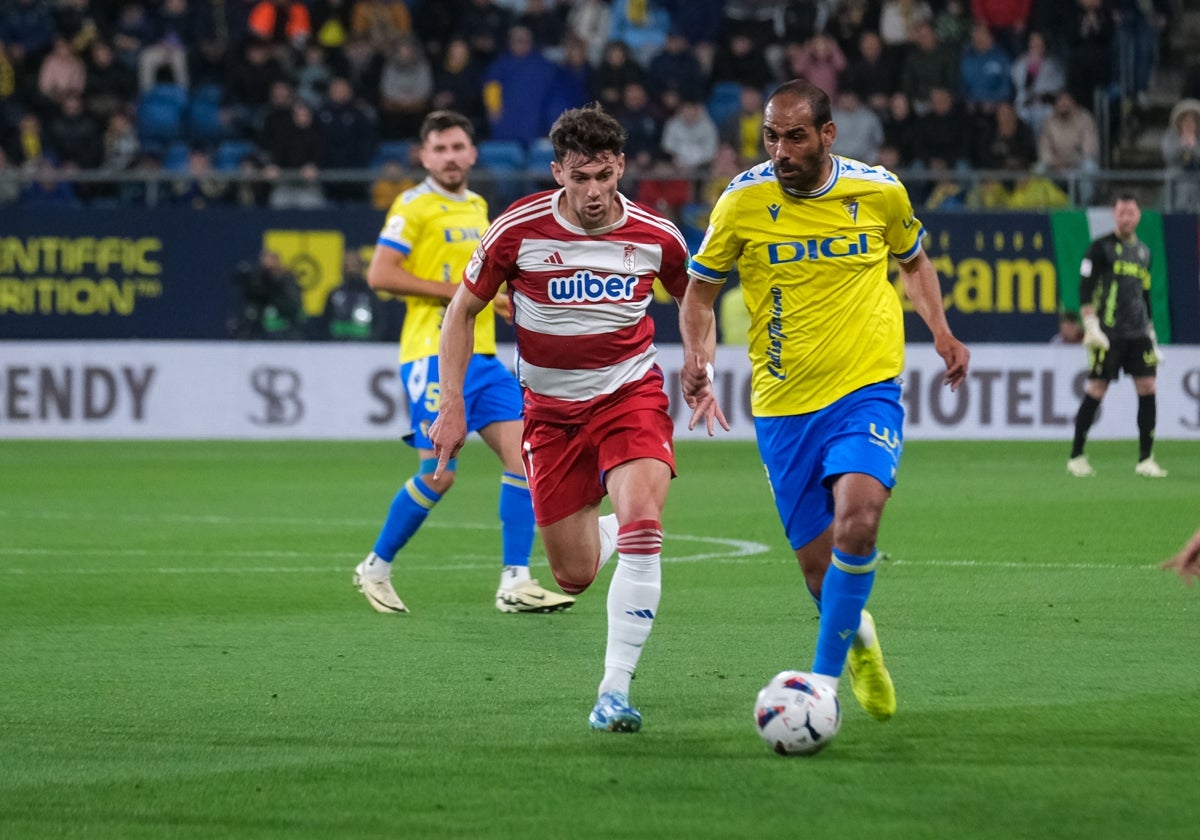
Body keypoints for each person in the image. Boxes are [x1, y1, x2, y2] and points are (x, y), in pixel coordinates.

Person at [677, 78, 970, 729]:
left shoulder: (878, 190)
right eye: (771, 137)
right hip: (783, 408)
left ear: (828, 134)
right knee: (820, 571)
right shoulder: (741, 202)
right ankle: (858, 640)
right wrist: (699, 359)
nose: (781, 150)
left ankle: (821, 688)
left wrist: (941, 330)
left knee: (859, 522)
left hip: (867, 389)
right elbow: (698, 294)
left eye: (795, 136)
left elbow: (914, 263)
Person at [430, 104, 695, 733]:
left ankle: (614, 690)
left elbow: (697, 300)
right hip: (549, 416)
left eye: (605, 175)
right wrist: (452, 402)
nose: (595, 191)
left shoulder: (657, 236)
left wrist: (701, 364)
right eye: (580, 177)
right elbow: (460, 313)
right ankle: (614, 529)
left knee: (643, 524)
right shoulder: (516, 230)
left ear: (621, 166)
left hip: (629, 396)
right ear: (558, 174)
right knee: (572, 575)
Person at [354, 110, 574, 616]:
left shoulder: (477, 206)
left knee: (526, 459)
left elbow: (480, 283)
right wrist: (460, 295)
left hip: (486, 357)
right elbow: (381, 274)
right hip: (431, 355)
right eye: (440, 149)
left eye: (458, 148)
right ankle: (376, 566)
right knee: (438, 475)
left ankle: (515, 581)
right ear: (424, 156)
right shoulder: (413, 206)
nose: (450, 157)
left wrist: (501, 301)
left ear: (472, 153)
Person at [1067, 193, 1167, 479]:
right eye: (1121, 212)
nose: (1126, 217)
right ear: (1114, 214)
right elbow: (1085, 287)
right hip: (1108, 333)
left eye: (1131, 212)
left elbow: (1144, 295)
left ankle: (1146, 459)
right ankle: (1076, 456)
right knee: (1097, 389)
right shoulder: (1100, 248)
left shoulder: (1144, 252)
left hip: (1138, 333)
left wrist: (1151, 331)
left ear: (1139, 216)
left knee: (1148, 387)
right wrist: (1090, 324)